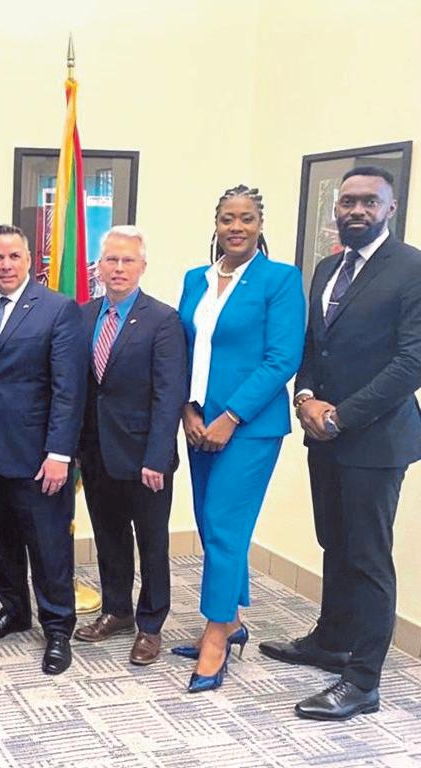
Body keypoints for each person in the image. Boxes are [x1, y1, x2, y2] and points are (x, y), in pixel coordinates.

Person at [260, 166, 421, 721]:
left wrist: (341, 417)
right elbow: (313, 347)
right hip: (323, 436)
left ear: (390, 208)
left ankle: (363, 680)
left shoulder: (411, 268)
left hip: (376, 441)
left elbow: (412, 362)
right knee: (334, 541)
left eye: (369, 202)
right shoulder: (328, 267)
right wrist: (305, 397)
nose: (356, 210)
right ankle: (331, 641)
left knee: (369, 556)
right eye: (348, 201)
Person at [175, 185, 304, 693]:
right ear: (216, 223)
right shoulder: (196, 279)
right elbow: (183, 349)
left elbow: (283, 358)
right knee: (212, 524)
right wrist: (187, 409)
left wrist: (230, 416)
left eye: (246, 218)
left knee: (226, 526)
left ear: (259, 225)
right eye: (228, 218)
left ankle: (215, 636)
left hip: (250, 427)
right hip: (199, 424)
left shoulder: (280, 280)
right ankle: (231, 620)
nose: (236, 227)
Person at [0, 224, 85, 675]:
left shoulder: (57, 309)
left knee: (49, 546)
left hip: (38, 455)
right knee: (1, 539)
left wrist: (59, 454)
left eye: (14, 256)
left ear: (30, 260)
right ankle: (14, 611)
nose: (6, 265)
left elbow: (69, 389)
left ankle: (58, 628)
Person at [74, 226, 186, 666]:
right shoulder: (83, 315)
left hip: (145, 457)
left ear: (142, 267)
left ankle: (151, 624)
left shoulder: (163, 320)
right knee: (109, 537)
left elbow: (169, 394)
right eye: (111, 260)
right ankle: (117, 610)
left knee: (152, 543)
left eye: (127, 261)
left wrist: (157, 456)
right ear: (98, 267)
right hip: (96, 452)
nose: (118, 268)